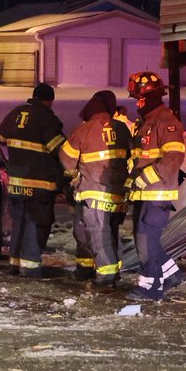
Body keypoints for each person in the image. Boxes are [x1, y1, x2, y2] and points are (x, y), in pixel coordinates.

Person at [60, 89, 134, 289]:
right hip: (118, 194)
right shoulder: (121, 128)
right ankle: (113, 270)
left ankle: (106, 275)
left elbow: (66, 160)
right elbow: (133, 155)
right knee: (110, 233)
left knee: (96, 234)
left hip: (93, 193)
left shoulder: (83, 130)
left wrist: (73, 177)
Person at [125, 71, 186, 301]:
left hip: (157, 192)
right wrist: (131, 181)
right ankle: (172, 275)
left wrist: (146, 177)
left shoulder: (166, 123)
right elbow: (141, 158)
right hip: (144, 191)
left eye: (138, 98)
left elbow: (172, 160)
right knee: (144, 236)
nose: (137, 103)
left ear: (148, 97)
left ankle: (150, 287)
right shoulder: (146, 123)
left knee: (145, 239)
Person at [0, 83, 66, 278]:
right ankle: (30, 267)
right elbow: (58, 149)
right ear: (49, 100)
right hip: (39, 183)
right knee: (36, 223)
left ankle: (15, 264)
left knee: (19, 222)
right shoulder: (46, 117)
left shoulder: (16, 113)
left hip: (16, 182)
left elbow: (2, 138)